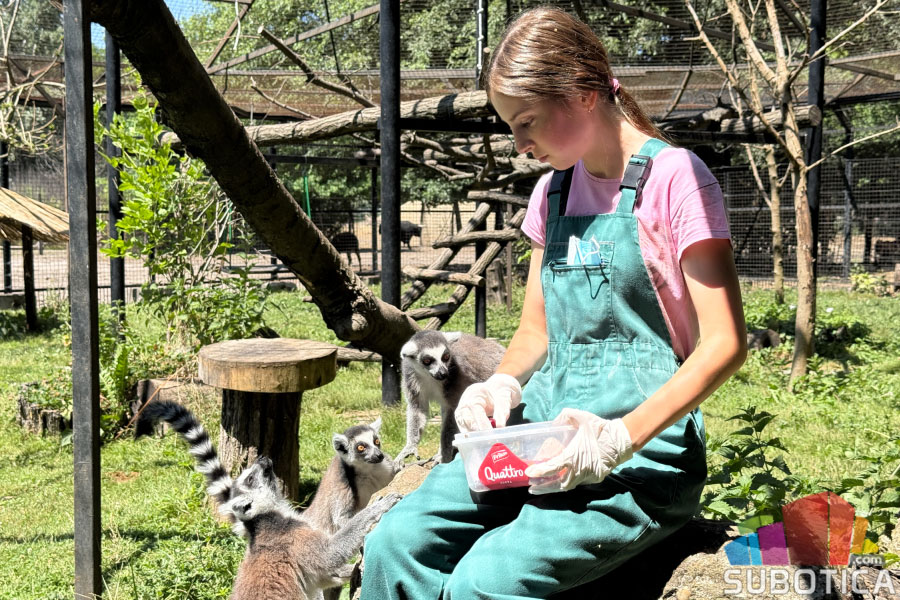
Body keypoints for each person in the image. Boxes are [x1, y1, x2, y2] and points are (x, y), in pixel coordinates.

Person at [361, 7, 747, 598]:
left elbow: (724, 344)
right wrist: (501, 385)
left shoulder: (677, 179)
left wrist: (617, 439)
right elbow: (536, 333)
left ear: (584, 93)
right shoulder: (553, 192)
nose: (520, 144)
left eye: (527, 122)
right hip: (538, 436)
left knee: (484, 582)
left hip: (641, 457)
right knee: (396, 543)